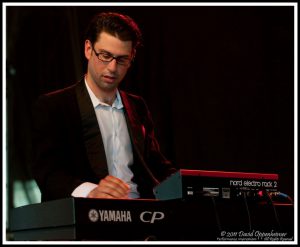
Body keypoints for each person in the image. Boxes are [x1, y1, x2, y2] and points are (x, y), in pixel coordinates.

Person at [32, 12, 177, 202]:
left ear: (131, 58)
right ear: (88, 49)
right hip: (89, 216)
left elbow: (156, 165)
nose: (112, 67)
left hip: (141, 212)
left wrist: (192, 184)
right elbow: (48, 173)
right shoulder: (54, 106)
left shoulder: (137, 106)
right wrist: (91, 192)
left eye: (122, 59)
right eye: (105, 55)